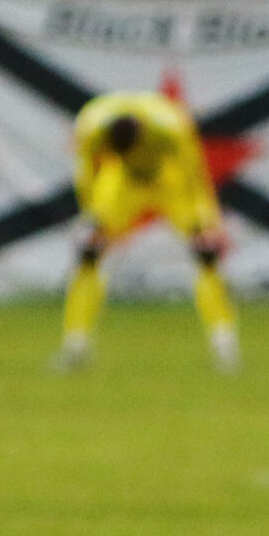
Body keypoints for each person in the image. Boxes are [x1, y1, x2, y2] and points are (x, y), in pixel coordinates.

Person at [57, 91, 239, 373]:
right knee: (89, 252)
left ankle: (225, 345)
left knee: (206, 253)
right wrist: (91, 217)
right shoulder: (90, 126)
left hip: (169, 180)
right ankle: (75, 345)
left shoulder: (172, 126)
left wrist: (208, 220)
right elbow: (86, 175)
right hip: (121, 182)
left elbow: (195, 174)